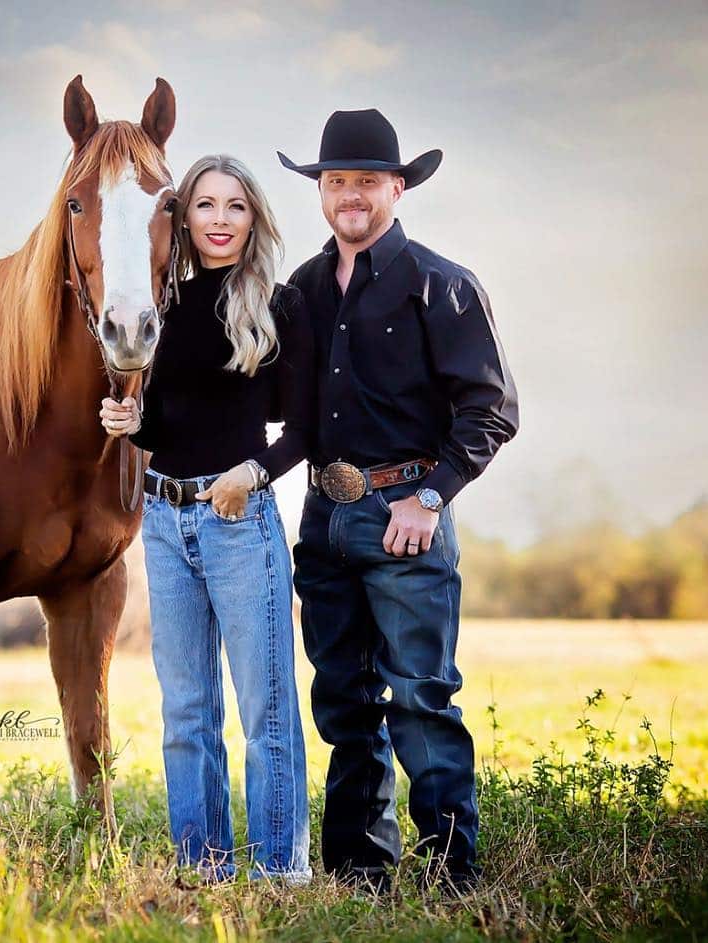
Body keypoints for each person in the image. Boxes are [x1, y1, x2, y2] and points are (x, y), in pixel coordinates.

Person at [278, 109, 519, 893]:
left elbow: (492, 410)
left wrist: (429, 497)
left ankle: (455, 872)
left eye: (366, 181)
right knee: (343, 697)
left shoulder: (440, 285)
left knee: (420, 695)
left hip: (404, 516)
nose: (350, 195)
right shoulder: (303, 289)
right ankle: (359, 870)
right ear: (321, 191)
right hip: (323, 520)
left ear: (399, 186)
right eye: (335, 181)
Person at [100, 154, 314, 883]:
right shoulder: (168, 307)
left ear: (253, 219)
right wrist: (128, 419)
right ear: (182, 218)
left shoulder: (278, 305)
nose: (219, 220)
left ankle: (280, 870)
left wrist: (252, 473)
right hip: (164, 520)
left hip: (240, 521)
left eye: (235, 207)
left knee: (267, 710)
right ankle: (202, 866)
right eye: (205, 205)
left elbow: (307, 427)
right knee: (186, 712)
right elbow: (164, 422)